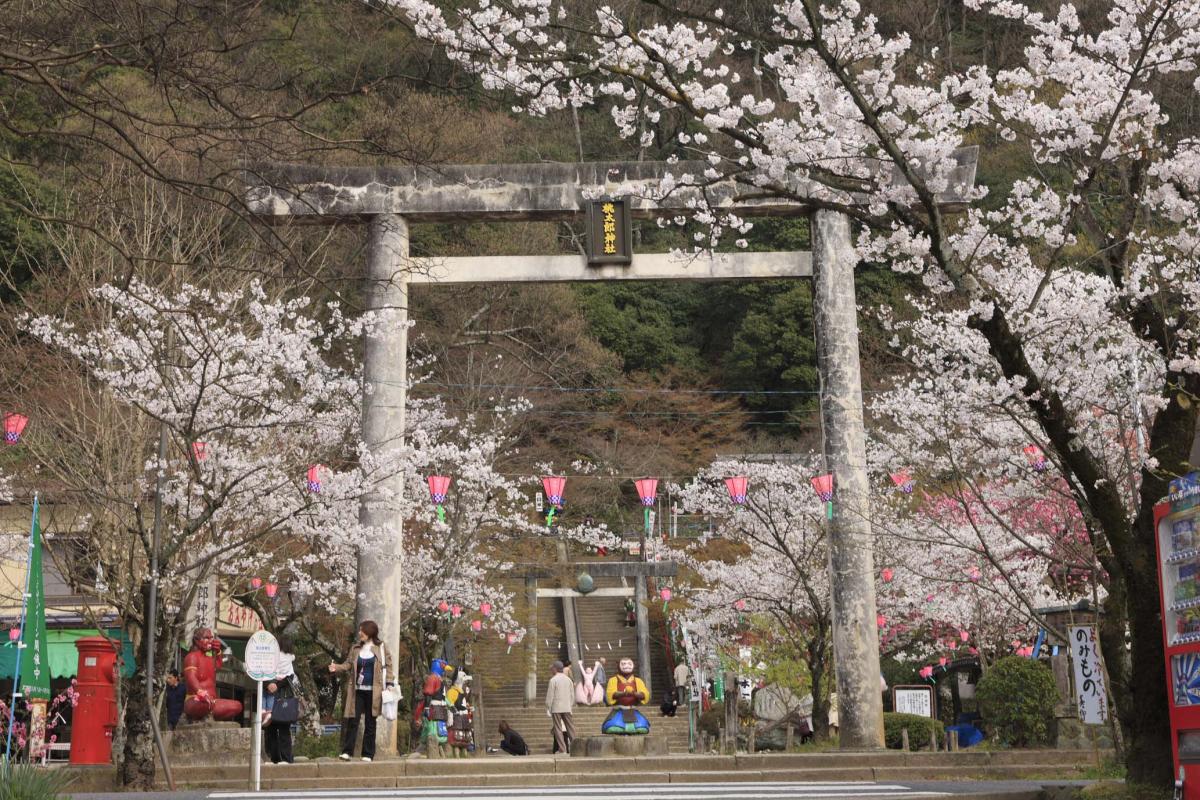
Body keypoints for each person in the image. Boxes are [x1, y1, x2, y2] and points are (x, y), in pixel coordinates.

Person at [329, 620, 395, 763]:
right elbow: (348, 664)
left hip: (374, 691)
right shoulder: (356, 648)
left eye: (362, 631)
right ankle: (347, 751)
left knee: (371, 722)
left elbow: (388, 666)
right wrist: (336, 667)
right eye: (359, 631)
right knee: (353, 720)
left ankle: (368, 753)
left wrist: (389, 683)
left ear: (370, 632)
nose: (360, 633)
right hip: (357, 690)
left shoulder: (381, 648)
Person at [264, 636, 297, 765]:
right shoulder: (290, 661)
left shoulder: (285, 660)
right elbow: (290, 678)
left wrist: (271, 684)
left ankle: (280, 758)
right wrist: (274, 685)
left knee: (273, 729)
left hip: (277, 697)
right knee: (281, 729)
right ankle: (281, 758)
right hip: (281, 697)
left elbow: (264, 674)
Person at [602, 657, 650, 735]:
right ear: (618, 666)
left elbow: (644, 694)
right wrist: (624, 693)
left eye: (629, 664)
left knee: (642, 728)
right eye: (623, 664)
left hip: (633, 710)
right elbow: (611, 694)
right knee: (612, 727)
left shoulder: (638, 681)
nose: (626, 666)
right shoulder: (613, 680)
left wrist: (634, 693)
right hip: (619, 710)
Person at [545, 660, 575, 754]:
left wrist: (548, 706)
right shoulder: (568, 679)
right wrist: (570, 705)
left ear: (555, 668)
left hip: (556, 708)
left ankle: (562, 749)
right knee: (570, 728)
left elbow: (550, 696)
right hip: (567, 707)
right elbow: (572, 695)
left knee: (558, 728)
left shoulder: (553, 680)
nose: (551, 670)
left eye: (552, 668)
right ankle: (575, 747)